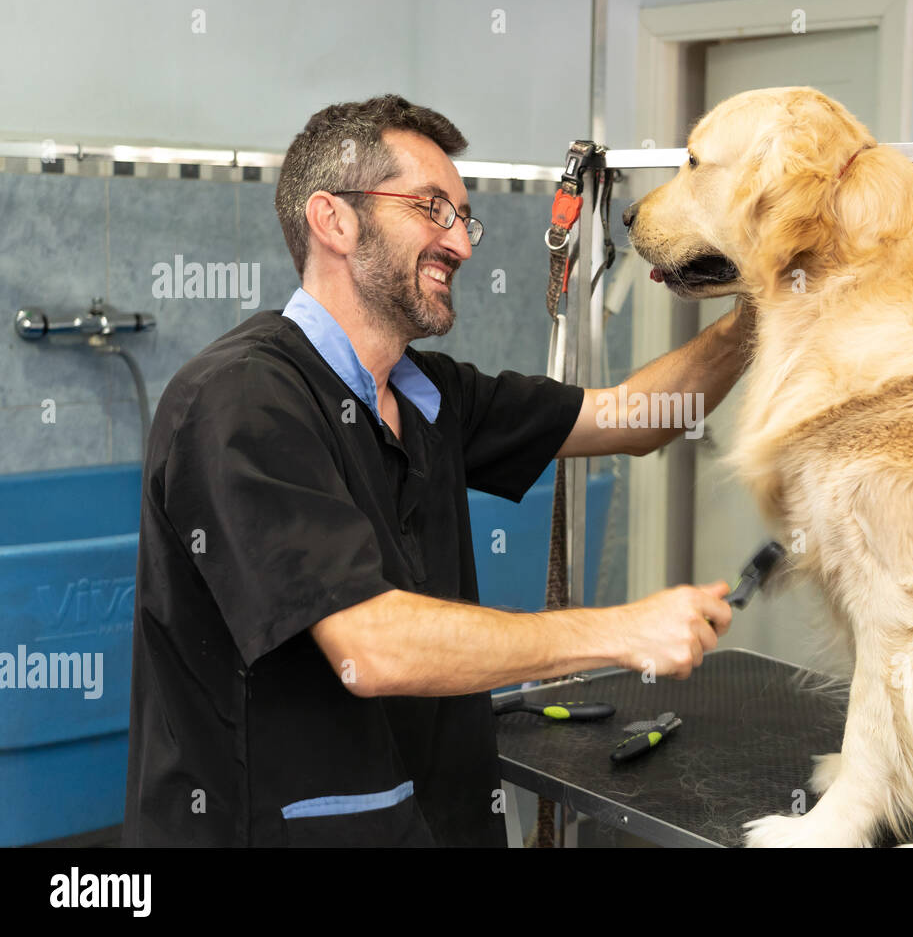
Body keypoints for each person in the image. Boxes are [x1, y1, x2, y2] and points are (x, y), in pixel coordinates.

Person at [123, 95, 750, 847]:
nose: (462, 242)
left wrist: (773, 302)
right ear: (334, 220)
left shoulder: (430, 395)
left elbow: (637, 418)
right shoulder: (239, 403)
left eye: (464, 217)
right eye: (432, 209)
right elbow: (371, 648)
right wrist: (624, 631)